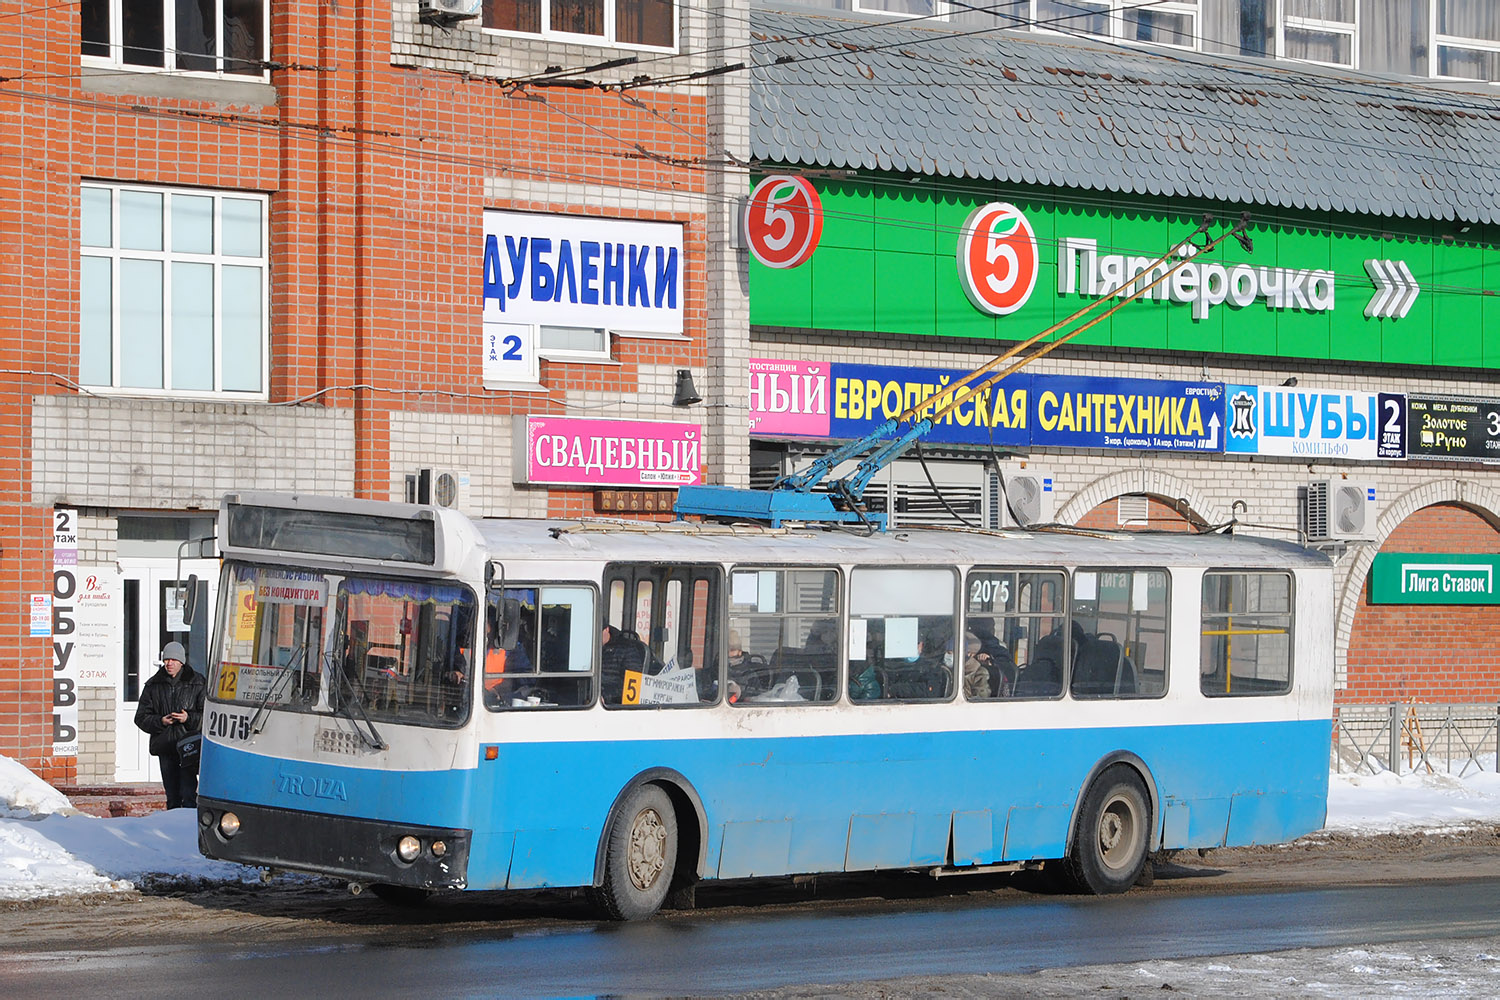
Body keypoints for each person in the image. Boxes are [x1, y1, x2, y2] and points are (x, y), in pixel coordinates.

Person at [134, 640, 207, 810]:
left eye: (173, 660)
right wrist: (160, 721)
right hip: (166, 746)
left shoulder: (197, 682)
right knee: (172, 796)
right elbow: (140, 717)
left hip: (189, 747)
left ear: (181, 661)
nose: (169, 663)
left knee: (189, 794)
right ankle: (173, 826)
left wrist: (188, 718)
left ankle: (188, 829)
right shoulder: (153, 685)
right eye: (166, 660)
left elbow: (208, 715)